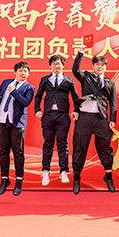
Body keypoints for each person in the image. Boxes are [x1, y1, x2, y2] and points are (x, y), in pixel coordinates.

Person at [71, 48, 117, 194]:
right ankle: (76, 178)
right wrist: (80, 54)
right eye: (97, 64)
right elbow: (75, 70)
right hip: (84, 118)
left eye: (102, 65)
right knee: (80, 147)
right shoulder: (86, 77)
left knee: (105, 148)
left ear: (105, 67)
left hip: (101, 119)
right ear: (93, 66)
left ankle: (108, 177)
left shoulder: (110, 83)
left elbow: (113, 103)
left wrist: (112, 119)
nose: (100, 67)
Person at [0, 61, 35, 196]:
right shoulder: (6, 82)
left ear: (29, 74)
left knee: (18, 152)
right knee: (3, 151)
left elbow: (25, 102)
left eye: (25, 71)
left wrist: (13, 91)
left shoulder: (29, 88)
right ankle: (4, 179)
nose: (23, 73)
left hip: (17, 123)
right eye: (20, 70)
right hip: (1, 120)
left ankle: (19, 181)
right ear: (15, 72)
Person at [34, 55, 80, 186]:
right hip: (48, 115)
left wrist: (76, 110)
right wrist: (37, 109)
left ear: (63, 65)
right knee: (48, 143)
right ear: (50, 66)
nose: (56, 66)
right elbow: (38, 96)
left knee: (63, 143)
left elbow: (75, 97)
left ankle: (63, 171)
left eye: (59, 64)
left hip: (62, 115)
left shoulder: (69, 81)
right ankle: (45, 171)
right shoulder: (45, 80)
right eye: (54, 64)